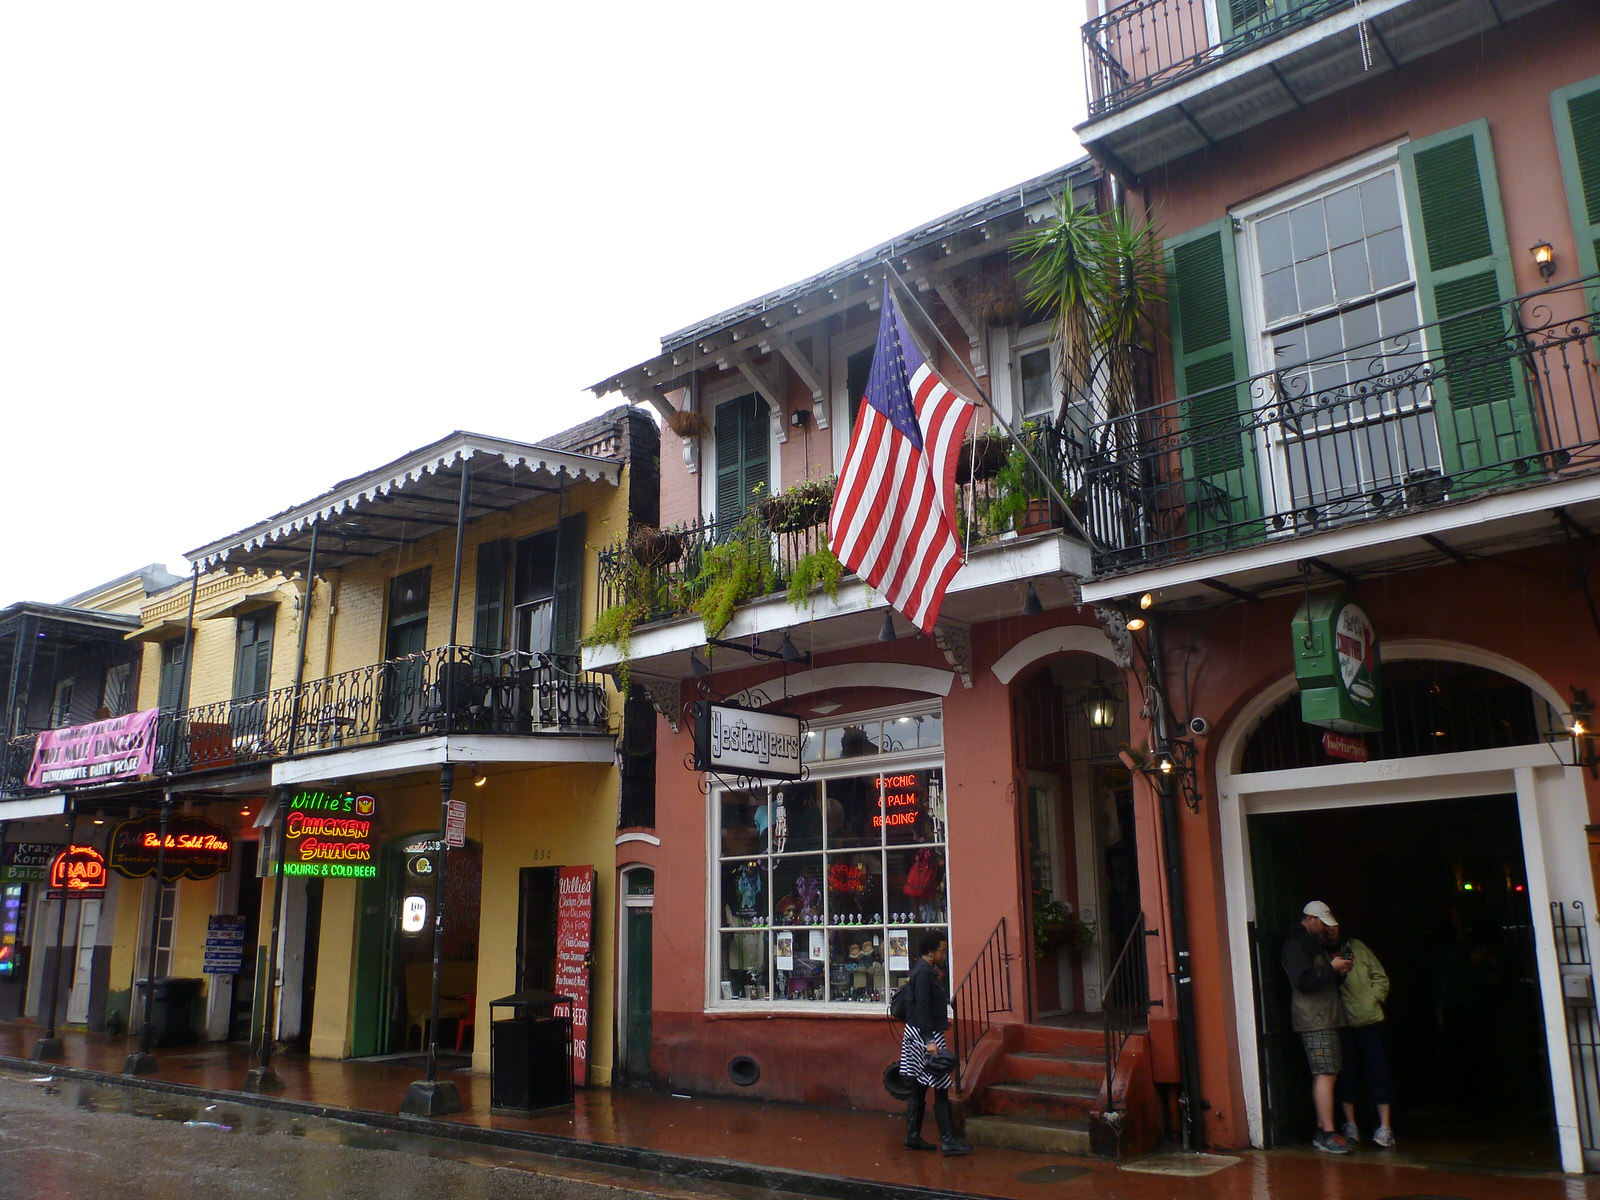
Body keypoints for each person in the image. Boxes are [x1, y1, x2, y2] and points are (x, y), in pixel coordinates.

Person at [1282, 899, 1353, 1154]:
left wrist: (1337, 971)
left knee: (1325, 1072)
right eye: (1322, 924)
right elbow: (1303, 980)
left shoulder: (1308, 943)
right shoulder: (1296, 944)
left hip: (1321, 1017)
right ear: (1310, 919)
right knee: (1326, 1073)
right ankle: (1327, 1133)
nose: (1325, 929)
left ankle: (1324, 1129)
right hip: (1315, 1018)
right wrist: (1332, 970)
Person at [899, 931, 971, 1156]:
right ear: (930, 951)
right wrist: (929, 1040)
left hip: (920, 1032)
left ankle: (912, 1136)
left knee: (920, 1085)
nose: (944, 954)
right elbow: (921, 1007)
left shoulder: (927, 970)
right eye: (942, 950)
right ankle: (948, 1141)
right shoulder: (922, 972)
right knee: (940, 1085)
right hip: (925, 1034)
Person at [1329, 921, 1395, 1148]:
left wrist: (1373, 999)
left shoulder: (1358, 947)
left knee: (1378, 1071)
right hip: (1342, 1023)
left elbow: (1380, 976)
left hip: (1370, 1020)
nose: (1331, 929)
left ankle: (1385, 1127)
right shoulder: (1320, 953)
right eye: (1327, 925)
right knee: (1346, 1074)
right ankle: (1351, 1124)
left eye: (1335, 924)